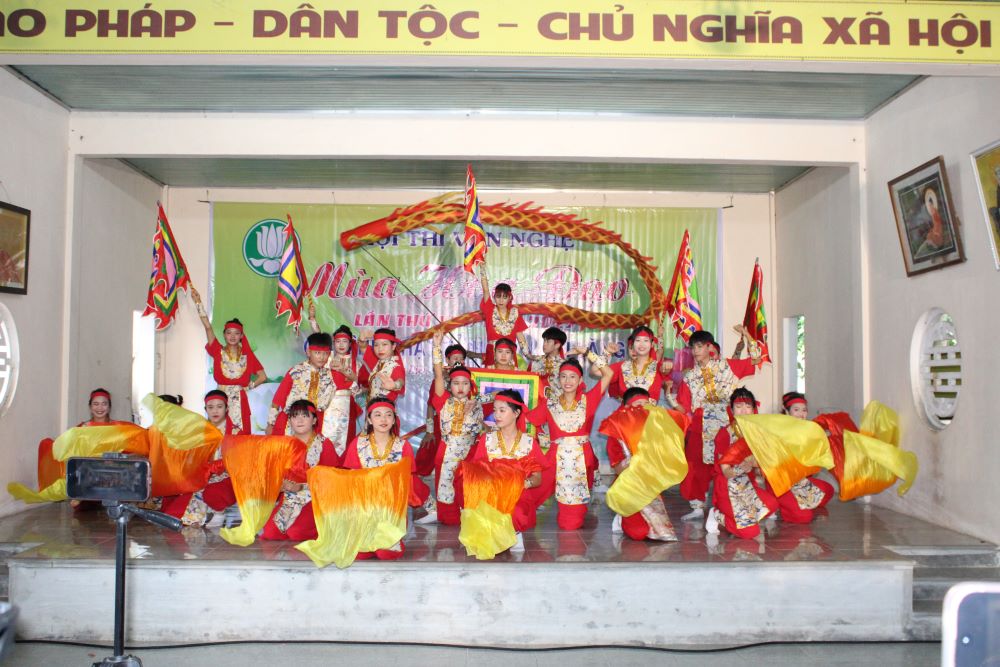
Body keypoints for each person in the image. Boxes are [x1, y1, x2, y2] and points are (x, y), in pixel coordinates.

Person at [672, 326, 763, 522]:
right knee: (696, 465)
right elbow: (684, 407)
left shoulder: (727, 366)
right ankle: (697, 506)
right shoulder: (689, 377)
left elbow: (756, 359)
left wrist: (747, 334)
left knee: (731, 462)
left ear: (709, 347)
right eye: (693, 347)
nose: (695, 351)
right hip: (700, 423)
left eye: (699, 346)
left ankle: (737, 502)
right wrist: (669, 397)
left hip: (727, 422)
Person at [528, 349, 614, 530]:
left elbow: (608, 373)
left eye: (572, 377)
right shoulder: (549, 403)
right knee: (526, 498)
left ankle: (576, 509)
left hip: (580, 460)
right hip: (554, 459)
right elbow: (527, 421)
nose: (567, 381)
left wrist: (587, 352)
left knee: (570, 524)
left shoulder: (589, 399)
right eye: (563, 376)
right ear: (558, 379)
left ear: (580, 380)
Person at [466, 389, 550, 550]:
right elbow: (476, 472)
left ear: (516, 413)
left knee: (515, 511)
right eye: (495, 410)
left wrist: (524, 483)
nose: (496, 415)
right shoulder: (486, 439)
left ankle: (515, 533)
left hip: (517, 495)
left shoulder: (529, 442)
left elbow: (538, 478)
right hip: (491, 495)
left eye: (502, 410)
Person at [421, 330, 489, 525]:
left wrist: (479, 401)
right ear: (449, 385)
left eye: (465, 383)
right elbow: (438, 375)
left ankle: (469, 514)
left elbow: (502, 397)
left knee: (466, 486)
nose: (460, 387)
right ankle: (444, 515)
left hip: (469, 452)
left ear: (470, 386)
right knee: (445, 486)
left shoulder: (477, 403)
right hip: (447, 450)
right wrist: (436, 347)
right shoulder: (443, 401)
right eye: (456, 383)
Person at [341, 397, 419, 560]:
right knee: (360, 554)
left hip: (391, 509)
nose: (383, 419)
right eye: (377, 415)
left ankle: (391, 538)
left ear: (394, 420)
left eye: (388, 415)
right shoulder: (357, 444)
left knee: (386, 553)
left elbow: (408, 481)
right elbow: (351, 480)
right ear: (369, 420)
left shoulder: (403, 446)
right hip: (365, 507)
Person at [603, 387, 678, 542]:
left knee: (662, 534)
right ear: (627, 408)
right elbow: (618, 469)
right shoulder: (616, 433)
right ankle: (622, 517)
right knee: (638, 533)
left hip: (649, 486)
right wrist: (636, 460)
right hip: (627, 484)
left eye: (646, 404)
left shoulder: (654, 429)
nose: (643, 409)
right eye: (638, 405)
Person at [159, 390, 242, 528]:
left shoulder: (236, 432)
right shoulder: (200, 431)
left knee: (213, 493)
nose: (215, 411)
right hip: (203, 475)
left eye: (219, 406)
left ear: (227, 408)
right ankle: (206, 513)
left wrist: (217, 466)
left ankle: (219, 512)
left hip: (228, 475)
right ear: (205, 409)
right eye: (210, 407)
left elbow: (239, 460)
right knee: (173, 516)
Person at [260, 400, 340, 541]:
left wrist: (301, 487)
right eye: (295, 416)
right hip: (290, 499)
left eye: (305, 416)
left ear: (314, 420)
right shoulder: (284, 445)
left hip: (315, 498)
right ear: (290, 421)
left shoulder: (324, 444)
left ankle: (323, 525)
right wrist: (278, 485)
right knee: (270, 533)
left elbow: (332, 480)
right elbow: (273, 474)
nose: (299, 420)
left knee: (297, 533)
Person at [705, 388, 779, 540]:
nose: (744, 411)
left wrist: (755, 464)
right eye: (739, 406)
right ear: (732, 410)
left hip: (748, 486)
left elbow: (761, 464)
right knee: (750, 533)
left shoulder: (756, 434)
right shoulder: (725, 434)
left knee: (772, 504)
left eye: (748, 406)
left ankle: (744, 518)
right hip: (728, 486)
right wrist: (742, 466)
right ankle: (717, 514)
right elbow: (726, 472)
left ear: (753, 409)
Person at [191, 288, 266, 434]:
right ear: (224, 335)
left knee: (239, 434)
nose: (232, 336)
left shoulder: (247, 355)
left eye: (236, 333)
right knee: (218, 433)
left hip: (239, 400)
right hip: (220, 399)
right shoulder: (217, 351)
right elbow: (208, 327)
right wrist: (198, 302)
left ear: (241, 336)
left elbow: (262, 376)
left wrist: (247, 388)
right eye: (229, 333)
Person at [773, 392, 835, 524]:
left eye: (804, 410)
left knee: (828, 491)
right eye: (796, 410)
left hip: (799, 481)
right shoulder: (778, 431)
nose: (801, 414)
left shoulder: (807, 431)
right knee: (804, 517)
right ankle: (778, 502)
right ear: (786, 411)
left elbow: (811, 468)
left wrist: (822, 442)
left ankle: (797, 501)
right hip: (781, 483)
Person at [267, 332, 335, 436]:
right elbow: (278, 399)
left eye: (325, 353)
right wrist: (270, 424)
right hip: (290, 424)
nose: (322, 357)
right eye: (317, 353)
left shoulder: (329, 376)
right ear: (308, 352)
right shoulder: (295, 372)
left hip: (315, 425)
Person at [601, 325, 674, 403]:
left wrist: (660, 336)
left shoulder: (655, 363)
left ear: (651, 345)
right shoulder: (622, 366)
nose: (633, 351)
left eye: (645, 341)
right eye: (631, 348)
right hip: (626, 408)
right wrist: (607, 352)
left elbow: (662, 361)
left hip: (650, 409)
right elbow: (600, 371)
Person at [478, 264, 530, 366]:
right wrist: (482, 268)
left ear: (510, 298)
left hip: (509, 355)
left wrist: (528, 355)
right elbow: (485, 290)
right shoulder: (489, 309)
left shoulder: (515, 313)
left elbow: (520, 337)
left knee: (510, 376)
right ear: (494, 297)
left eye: (504, 297)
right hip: (493, 353)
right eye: (498, 296)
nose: (501, 300)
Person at [357, 328, 406, 403]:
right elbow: (363, 347)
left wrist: (394, 385)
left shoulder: (395, 366)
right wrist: (362, 338)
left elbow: (401, 381)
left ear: (393, 346)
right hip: (372, 406)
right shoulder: (377, 362)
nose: (380, 349)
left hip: (385, 407)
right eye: (376, 345)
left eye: (384, 344)